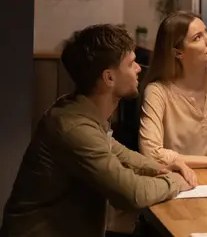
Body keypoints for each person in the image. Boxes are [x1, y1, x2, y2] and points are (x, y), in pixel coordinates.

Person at [0, 25, 195, 237]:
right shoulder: (75, 127)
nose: (139, 68)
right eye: (131, 64)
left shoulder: (83, 112)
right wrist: (175, 181)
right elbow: (133, 194)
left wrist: (162, 167)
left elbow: (120, 153)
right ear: (109, 78)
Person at [139, 11, 207, 168]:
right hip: (177, 182)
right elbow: (152, 154)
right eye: (198, 38)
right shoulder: (158, 91)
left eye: (206, 32)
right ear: (178, 53)